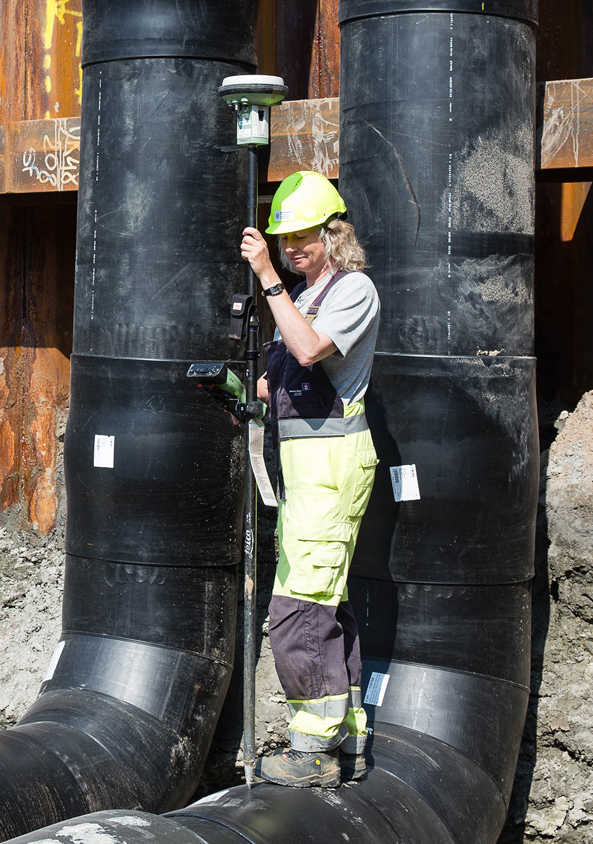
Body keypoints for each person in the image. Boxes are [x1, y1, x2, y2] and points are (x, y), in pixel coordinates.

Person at [240, 171, 380, 788]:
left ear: (333, 234)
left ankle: (312, 752)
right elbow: (282, 382)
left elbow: (306, 353)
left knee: (298, 607)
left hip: (331, 467)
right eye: (284, 239)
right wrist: (246, 392)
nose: (293, 249)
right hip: (303, 471)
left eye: (303, 238)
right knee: (326, 600)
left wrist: (268, 277)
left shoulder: (353, 290)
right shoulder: (300, 298)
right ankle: (345, 741)